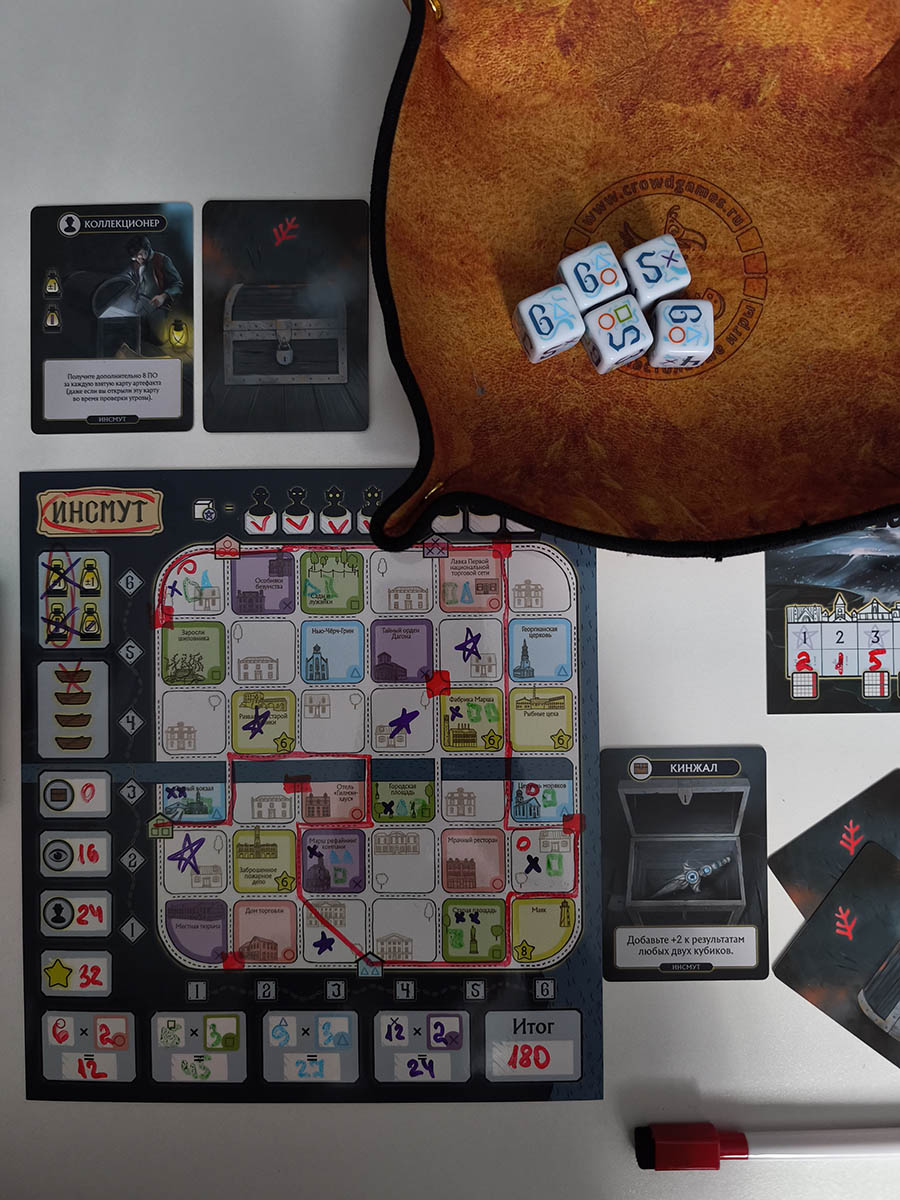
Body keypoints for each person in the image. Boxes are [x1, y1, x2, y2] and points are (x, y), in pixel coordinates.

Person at [123, 234, 183, 342]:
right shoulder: (136, 262)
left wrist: (163, 296)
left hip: (157, 305)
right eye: (134, 257)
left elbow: (178, 284)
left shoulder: (162, 260)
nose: (138, 259)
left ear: (147, 248)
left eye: (140, 255)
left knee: (158, 340)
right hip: (140, 303)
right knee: (131, 334)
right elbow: (129, 277)